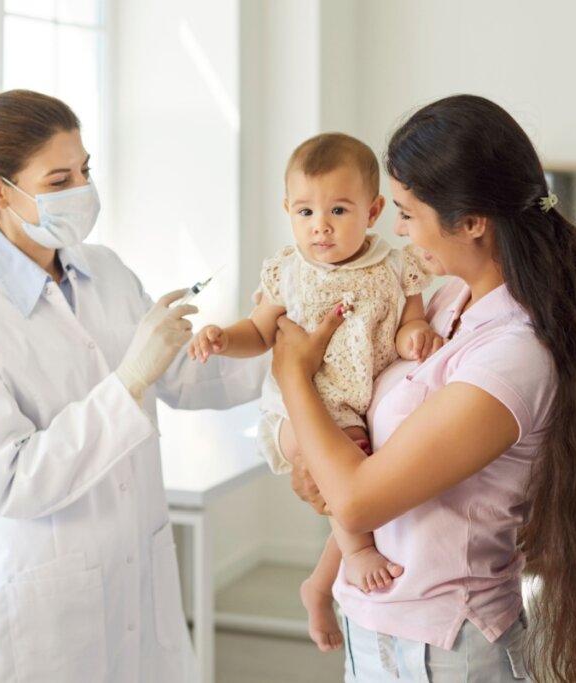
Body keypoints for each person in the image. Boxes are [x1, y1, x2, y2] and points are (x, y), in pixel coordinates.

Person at [271, 95, 576, 683]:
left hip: (446, 648)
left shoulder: (512, 356)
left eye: (409, 213)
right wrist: (325, 576)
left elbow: (360, 497)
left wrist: (292, 377)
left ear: (471, 222)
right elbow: (385, 472)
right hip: (375, 627)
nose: (394, 228)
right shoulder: (444, 307)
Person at [0, 89, 261, 683]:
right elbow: (12, 483)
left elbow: (183, 377)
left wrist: (289, 346)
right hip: (45, 624)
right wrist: (129, 379)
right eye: (59, 179)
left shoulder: (104, 270)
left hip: (138, 587)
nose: (82, 190)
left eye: (85, 170)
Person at [188, 132, 444, 652]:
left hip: (356, 411)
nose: (319, 225)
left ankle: (319, 583)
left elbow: (409, 320)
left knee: (361, 481)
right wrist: (222, 337)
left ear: (373, 211)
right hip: (295, 410)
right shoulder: (289, 271)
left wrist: (412, 334)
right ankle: (354, 557)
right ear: (287, 211)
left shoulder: (395, 266)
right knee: (347, 463)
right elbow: (259, 333)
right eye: (304, 212)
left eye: (338, 210)